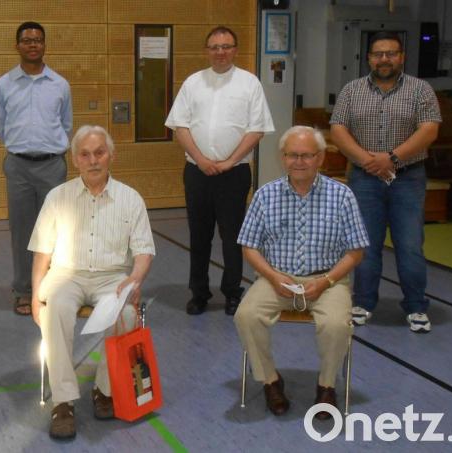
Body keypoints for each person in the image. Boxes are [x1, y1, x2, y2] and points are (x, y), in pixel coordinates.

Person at [28, 125, 155, 439]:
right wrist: (34, 294)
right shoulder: (57, 197)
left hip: (112, 277)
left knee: (126, 314)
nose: (93, 160)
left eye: (99, 152)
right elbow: (42, 251)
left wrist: (135, 280)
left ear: (111, 155)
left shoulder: (131, 198)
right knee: (54, 306)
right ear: (75, 160)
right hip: (66, 274)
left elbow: (143, 250)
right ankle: (63, 401)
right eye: (85, 154)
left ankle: (104, 389)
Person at [234, 126, 370, 419]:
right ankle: (270, 380)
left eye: (307, 155)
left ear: (320, 157)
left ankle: (326, 386)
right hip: (276, 279)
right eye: (293, 155)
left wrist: (327, 281)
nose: (299, 161)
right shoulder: (264, 195)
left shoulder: (342, 196)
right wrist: (272, 276)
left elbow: (356, 251)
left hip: (329, 280)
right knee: (246, 315)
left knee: (336, 324)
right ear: (283, 158)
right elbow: (249, 247)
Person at [330, 31, 441, 333]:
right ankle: (363, 303)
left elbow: (429, 130)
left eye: (391, 53)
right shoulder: (351, 90)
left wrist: (391, 158)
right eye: (378, 54)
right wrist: (369, 161)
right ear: (369, 58)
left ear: (401, 57)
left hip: (408, 178)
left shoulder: (421, 90)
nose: (384, 59)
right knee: (365, 245)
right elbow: (338, 129)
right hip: (364, 180)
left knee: (410, 245)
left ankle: (416, 306)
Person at [165, 26, 274, 316]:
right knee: (199, 236)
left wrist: (228, 161)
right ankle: (199, 293)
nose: (220, 52)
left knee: (232, 237)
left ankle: (232, 293)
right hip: (197, 172)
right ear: (207, 50)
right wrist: (200, 159)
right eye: (215, 46)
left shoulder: (250, 84)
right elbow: (180, 125)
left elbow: (257, 129)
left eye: (226, 46)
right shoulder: (193, 83)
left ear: (235, 50)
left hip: (234, 173)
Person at [0, 21, 73, 316]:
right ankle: (24, 291)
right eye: (27, 40)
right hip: (19, 167)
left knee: (55, 231)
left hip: (53, 166)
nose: (33, 45)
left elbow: (66, 125)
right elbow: (0, 127)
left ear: (44, 45)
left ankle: (51, 288)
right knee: (23, 231)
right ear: (17, 46)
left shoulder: (60, 84)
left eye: (38, 40)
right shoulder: (4, 85)